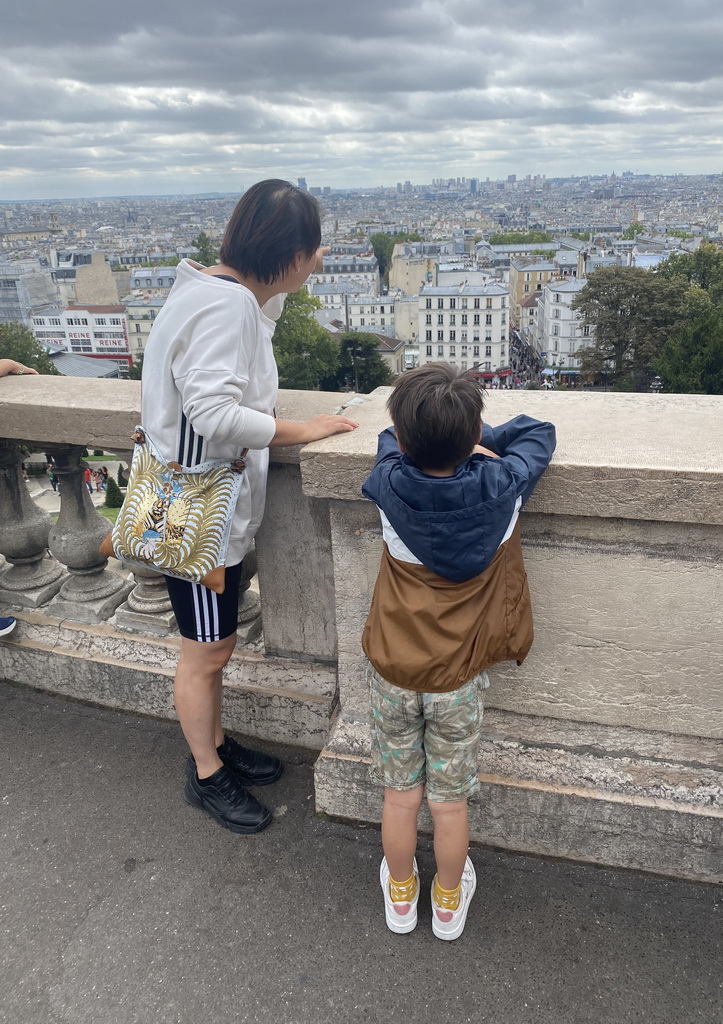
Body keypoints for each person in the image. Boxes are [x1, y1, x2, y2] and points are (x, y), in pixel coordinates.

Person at [140, 179, 358, 835]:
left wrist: (286, 279)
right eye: (310, 251)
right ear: (285, 252)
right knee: (205, 651)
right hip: (198, 515)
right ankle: (206, 773)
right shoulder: (226, 307)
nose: (315, 262)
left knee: (213, 643)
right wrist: (305, 430)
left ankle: (215, 745)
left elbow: (247, 338)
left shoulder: (210, 290)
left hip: (187, 500)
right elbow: (212, 413)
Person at [361, 363, 555, 940]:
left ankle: (401, 896)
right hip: (457, 679)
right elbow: (537, 433)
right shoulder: (504, 489)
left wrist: (443, 437)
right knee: (448, 803)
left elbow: (387, 441)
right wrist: (479, 444)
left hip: (393, 667)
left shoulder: (389, 481)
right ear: (471, 432)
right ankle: (447, 902)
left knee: (400, 796)